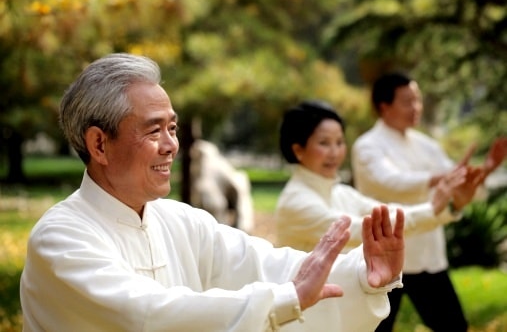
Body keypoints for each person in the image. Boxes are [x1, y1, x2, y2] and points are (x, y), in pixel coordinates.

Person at [20, 53, 406, 332]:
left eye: (172, 128)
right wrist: (284, 299)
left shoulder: (179, 219)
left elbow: (264, 264)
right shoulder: (61, 239)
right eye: (154, 130)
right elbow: (146, 314)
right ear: (100, 145)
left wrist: (362, 273)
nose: (171, 145)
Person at [351, 72, 507, 332]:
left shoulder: (426, 145)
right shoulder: (367, 146)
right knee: (374, 328)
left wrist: (485, 171)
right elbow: (391, 181)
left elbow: (456, 186)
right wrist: (443, 178)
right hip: (382, 259)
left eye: (418, 100)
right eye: (407, 101)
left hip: (427, 256)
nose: (416, 108)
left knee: (454, 326)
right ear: (384, 106)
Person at [275, 100, 482, 254]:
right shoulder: (296, 202)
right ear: (298, 150)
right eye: (324, 143)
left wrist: (450, 206)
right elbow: (364, 230)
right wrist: (434, 207)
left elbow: (386, 213)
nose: (335, 152)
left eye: (339, 142)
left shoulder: (341, 193)